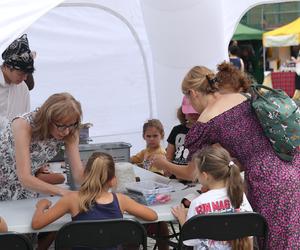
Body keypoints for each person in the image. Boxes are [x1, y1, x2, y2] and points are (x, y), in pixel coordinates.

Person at [152, 62, 300, 249]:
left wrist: (164, 164)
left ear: (193, 93)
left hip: (268, 180)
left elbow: (192, 173)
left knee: (273, 242)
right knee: (291, 239)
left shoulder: (207, 121)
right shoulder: (241, 96)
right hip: (291, 164)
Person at [31, 152, 158, 249]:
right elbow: (153, 216)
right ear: (113, 179)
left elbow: (37, 224)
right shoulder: (121, 200)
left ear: (85, 174)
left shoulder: (72, 199)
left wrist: (41, 206)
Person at [0, 92, 84, 201]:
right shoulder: (23, 124)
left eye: (71, 125)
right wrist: (64, 193)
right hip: (22, 182)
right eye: (61, 126)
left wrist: (101, 181)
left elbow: (78, 175)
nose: (66, 131)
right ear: (48, 119)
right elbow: (25, 178)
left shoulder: (70, 130)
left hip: (25, 188)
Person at [172, 145, 253, 250]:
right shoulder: (239, 195)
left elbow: (190, 240)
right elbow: (249, 233)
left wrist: (182, 219)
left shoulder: (198, 202)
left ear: (205, 176)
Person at [0, 34, 34, 130]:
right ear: (7, 66)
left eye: (27, 74)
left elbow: (25, 117)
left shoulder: (23, 88)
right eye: (21, 74)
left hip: (13, 141)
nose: (24, 78)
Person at [166, 96, 199, 166]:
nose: (193, 115)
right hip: (175, 172)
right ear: (183, 112)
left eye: (196, 112)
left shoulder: (206, 131)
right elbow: (169, 155)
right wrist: (167, 170)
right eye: (189, 112)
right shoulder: (176, 129)